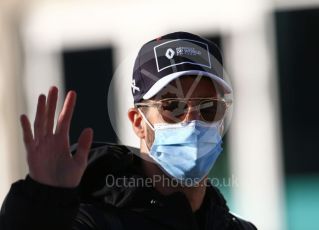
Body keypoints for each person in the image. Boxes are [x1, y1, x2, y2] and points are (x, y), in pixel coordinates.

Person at [0, 31, 257, 229]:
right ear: (138, 123)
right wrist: (41, 199)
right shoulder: (95, 220)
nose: (193, 121)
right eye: (173, 106)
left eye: (209, 108)